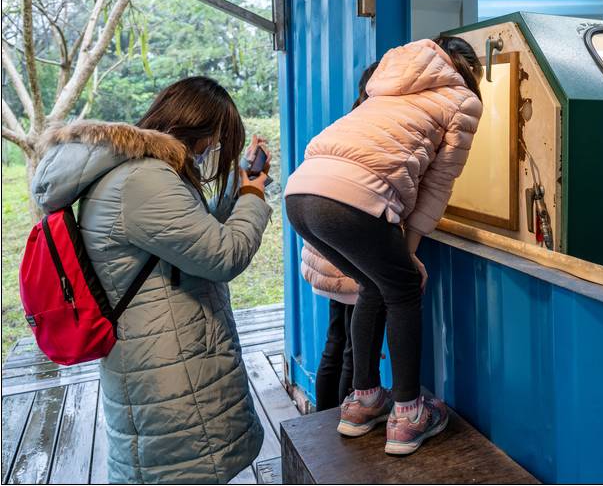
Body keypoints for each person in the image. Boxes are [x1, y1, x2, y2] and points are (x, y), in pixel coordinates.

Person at [30, 76, 272, 484]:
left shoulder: (135, 172)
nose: (212, 150)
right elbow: (222, 255)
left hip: (161, 353)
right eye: (215, 139)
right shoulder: (145, 180)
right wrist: (253, 198)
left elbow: (191, 233)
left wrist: (241, 186)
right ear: (198, 129)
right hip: (166, 368)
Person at [285, 37, 483, 455]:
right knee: (405, 286)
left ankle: (364, 401)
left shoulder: (387, 84)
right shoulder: (461, 99)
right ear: (467, 68)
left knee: (371, 285)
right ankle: (409, 412)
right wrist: (409, 250)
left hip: (301, 193)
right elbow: (437, 185)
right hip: (351, 200)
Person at [302, 62, 377, 410]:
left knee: (336, 341)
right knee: (353, 349)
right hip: (349, 251)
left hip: (324, 249)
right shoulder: (376, 127)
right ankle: (340, 426)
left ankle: (323, 422)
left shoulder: (346, 122)